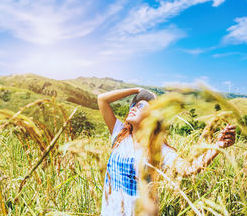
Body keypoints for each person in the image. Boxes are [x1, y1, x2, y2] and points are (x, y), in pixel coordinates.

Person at [97, 87, 236, 215]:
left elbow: (189, 169)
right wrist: (136, 90)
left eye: (140, 105)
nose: (133, 108)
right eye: (133, 105)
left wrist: (218, 146)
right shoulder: (119, 134)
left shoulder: (159, 149)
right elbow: (102, 99)